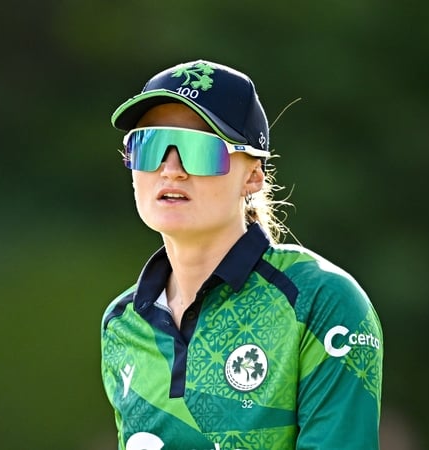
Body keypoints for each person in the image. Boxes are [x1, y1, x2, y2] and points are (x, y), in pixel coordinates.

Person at [100, 59, 383, 450]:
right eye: (148, 146)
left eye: (199, 149)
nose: (171, 170)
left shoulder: (321, 301)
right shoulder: (121, 323)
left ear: (253, 175)